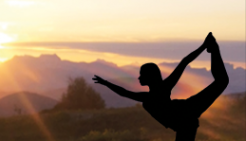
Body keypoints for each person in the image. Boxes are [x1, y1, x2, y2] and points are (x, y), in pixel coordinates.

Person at [92, 32, 229, 141]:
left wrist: (203, 46)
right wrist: (204, 46)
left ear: (150, 76)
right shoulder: (156, 92)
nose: (139, 77)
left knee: (221, 81)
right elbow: (184, 62)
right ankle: (213, 48)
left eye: (142, 75)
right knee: (221, 81)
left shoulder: (153, 94)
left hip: (187, 112)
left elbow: (184, 62)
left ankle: (214, 48)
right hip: (185, 117)